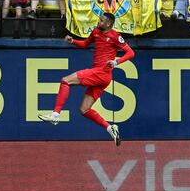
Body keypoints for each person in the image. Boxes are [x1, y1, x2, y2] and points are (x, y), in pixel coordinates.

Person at [38, 13, 135, 147]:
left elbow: (131, 53)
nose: (98, 21)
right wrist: (73, 41)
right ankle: (110, 128)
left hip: (101, 72)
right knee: (84, 110)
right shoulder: (96, 31)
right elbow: (85, 44)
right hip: (102, 76)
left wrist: (116, 62)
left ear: (108, 24)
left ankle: (55, 114)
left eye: (101, 20)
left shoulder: (115, 36)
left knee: (65, 80)